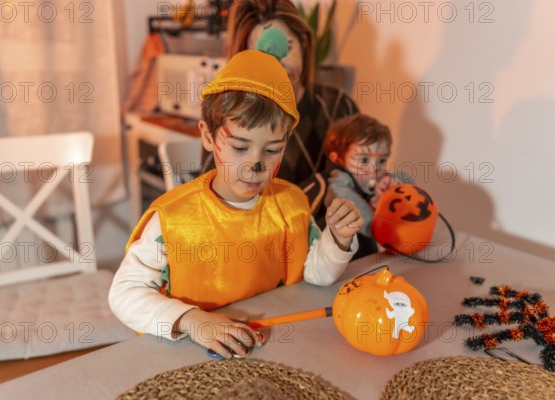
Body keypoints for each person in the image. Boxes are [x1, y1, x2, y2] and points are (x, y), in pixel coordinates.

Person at [109, 30, 364, 359]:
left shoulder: (292, 205)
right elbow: (124, 294)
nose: (255, 165)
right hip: (190, 353)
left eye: (273, 149)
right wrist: (191, 320)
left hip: (273, 350)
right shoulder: (172, 220)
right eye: (240, 147)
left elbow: (316, 274)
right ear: (208, 135)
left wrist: (339, 240)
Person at [203, 0, 359, 187]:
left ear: (303, 44)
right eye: (260, 53)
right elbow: (212, 187)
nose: (275, 63)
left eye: (286, 47)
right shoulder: (229, 114)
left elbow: (360, 179)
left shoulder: (340, 107)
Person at [323, 113, 413, 255]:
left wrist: (394, 189)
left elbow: (411, 187)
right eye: (364, 160)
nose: (374, 168)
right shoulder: (338, 186)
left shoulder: (379, 178)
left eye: (381, 161)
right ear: (338, 159)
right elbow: (371, 225)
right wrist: (380, 209)